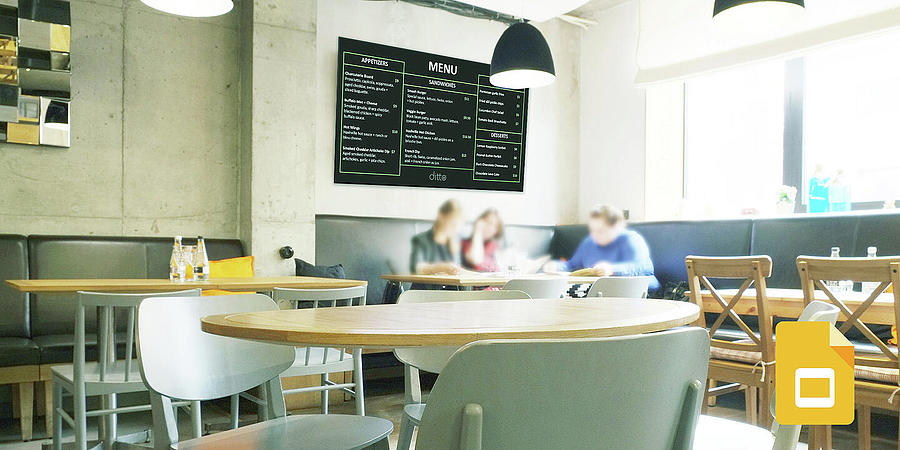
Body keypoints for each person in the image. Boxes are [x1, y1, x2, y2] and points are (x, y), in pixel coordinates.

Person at [545, 204, 658, 289]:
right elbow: (572, 265)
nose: (595, 234)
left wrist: (612, 269)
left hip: (632, 289)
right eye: (593, 230)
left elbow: (643, 267)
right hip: (597, 290)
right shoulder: (590, 242)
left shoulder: (631, 239)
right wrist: (557, 266)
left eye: (600, 230)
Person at [409, 199, 463, 275]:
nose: (456, 229)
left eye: (457, 225)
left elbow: (457, 269)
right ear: (441, 216)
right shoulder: (421, 239)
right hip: (425, 286)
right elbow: (415, 268)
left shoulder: (454, 240)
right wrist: (440, 268)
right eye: (453, 223)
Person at [462, 208, 504, 272]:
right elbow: (475, 260)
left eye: (491, 224)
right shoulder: (465, 243)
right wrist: (477, 232)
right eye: (484, 222)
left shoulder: (494, 247)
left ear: (496, 231)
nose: (485, 226)